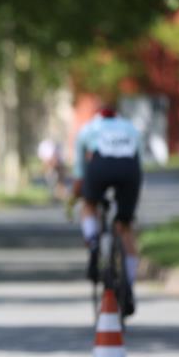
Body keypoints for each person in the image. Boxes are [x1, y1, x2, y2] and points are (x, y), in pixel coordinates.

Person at [71, 105, 143, 316]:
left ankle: (93, 243)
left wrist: (81, 192)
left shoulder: (88, 129)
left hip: (100, 166)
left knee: (89, 204)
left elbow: (79, 171)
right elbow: (139, 162)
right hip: (129, 170)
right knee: (125, 225)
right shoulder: (131, 128)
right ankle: (128, 285)